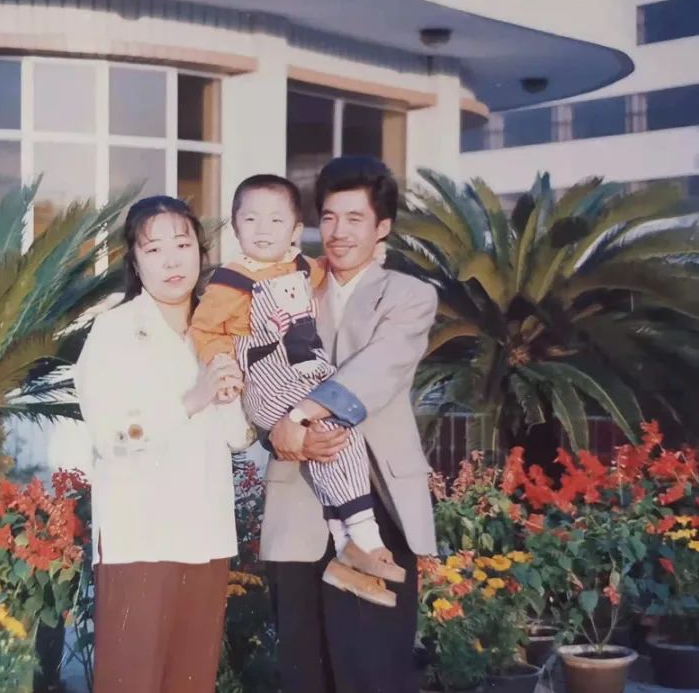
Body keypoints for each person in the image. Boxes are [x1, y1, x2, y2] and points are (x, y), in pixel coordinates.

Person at [261, 156, 439, 693]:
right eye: (330, 217)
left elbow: (378, 370)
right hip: (298, 493)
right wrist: (278, 432)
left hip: (376, 502)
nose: (338, 232)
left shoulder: (409, 295)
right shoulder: (283, 289)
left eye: (355, 219)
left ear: (383, 227)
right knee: (304, 666)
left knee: (372, 669)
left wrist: (299, 416)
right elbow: (256, 368)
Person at [189, 174, 405, 607]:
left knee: (336, 440)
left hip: (306, 377)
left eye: (275, 220)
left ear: (294, 229)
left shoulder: (302, 267)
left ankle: (347, 550)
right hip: (268, 380)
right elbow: (204, 328)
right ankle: (365, 538)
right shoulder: (232, 280)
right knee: (333, 430)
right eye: (251, 219)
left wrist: (369, 257)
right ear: (235, 226)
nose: (263, 229)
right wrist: (222, 366)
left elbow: (329, 272)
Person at [74, 195, 250, 693]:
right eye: (154, 250)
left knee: (192, 680)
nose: (172, 261)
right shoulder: (113, 331)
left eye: (183, 244)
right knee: (131, 680)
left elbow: (238, 436)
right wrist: (190, 401)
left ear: (201, 251)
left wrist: (231, 393)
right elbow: (109, 434)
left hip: (206, 532)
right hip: (141, 537)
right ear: (135, 262)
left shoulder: (219, 328)